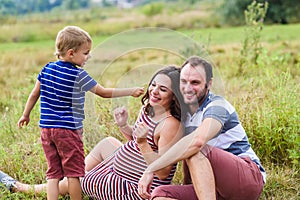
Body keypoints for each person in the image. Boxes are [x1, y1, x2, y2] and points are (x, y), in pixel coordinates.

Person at [2, 65, 184, 199]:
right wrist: (124, 126)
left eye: (163, 89)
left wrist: (143, 142)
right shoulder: (149, 107)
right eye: (153, 85)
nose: (154, 91)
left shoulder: (170, 125)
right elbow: (136, 140)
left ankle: (22, 188)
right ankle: (70, 179)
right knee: (107, 143)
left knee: (78, 180)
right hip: (128, 167)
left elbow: (162, 172)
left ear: (174, 94)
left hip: (135, 186)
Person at [16, 25, 144, 200]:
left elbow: (34, 94)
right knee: (74, 174)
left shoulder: (46, 69)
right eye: (85, 53)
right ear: (71, 53)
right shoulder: (79, 75)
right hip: (68, 131)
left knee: (53, 174)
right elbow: (103, 92)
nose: (88, 56)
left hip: (46, 130)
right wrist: (130, 91)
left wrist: (25, 114)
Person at [138, 56, 266, 200]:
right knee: (160, 194)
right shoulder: (183, 114)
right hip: (212, 186)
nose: (187, 88)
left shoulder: (217, 106)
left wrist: (151, 168)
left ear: (209, 83)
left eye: (195, 82)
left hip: (247, 179)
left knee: (196, 147)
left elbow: (197, 142)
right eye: (183, 81)